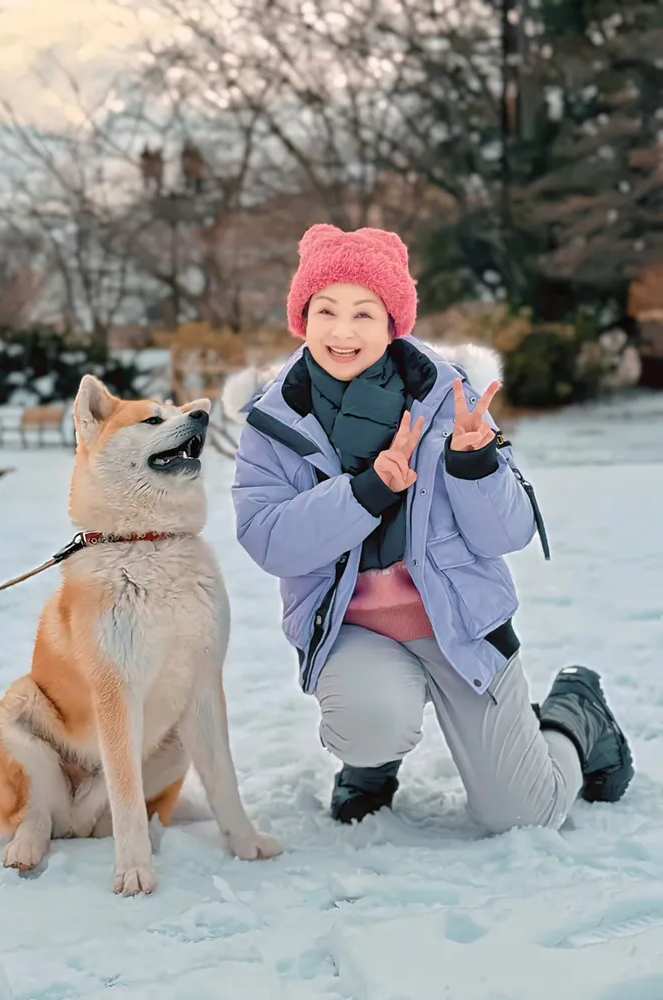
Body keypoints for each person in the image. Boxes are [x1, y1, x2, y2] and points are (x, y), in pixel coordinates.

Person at [231, 223, 633, 831]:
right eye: (326, 310)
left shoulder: (447, 397)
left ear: (392, 323)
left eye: (364, 313)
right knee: (365, 725)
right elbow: (269, 539)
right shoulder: (274, 420)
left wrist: (475, 465)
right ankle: (372, 762)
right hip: (355, 631)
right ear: (302, 316)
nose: (343, 331)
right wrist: (366, 492)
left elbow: (507, 534)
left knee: (527, 816)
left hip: (459, 626)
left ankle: (576, 713)